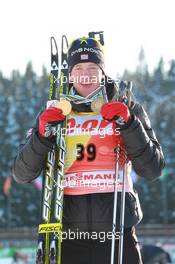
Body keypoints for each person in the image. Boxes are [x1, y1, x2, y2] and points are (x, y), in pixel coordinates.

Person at [12, 36, 165, 264]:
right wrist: (41, 136)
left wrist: (129, 123)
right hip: (67, 238)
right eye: (79, 68)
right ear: (70, 74)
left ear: (103, 72)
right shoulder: (55, 112)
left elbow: (152, 169)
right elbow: (21, 173)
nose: (85, 75)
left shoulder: (128, 107)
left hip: (118, 234)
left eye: (92, 68)